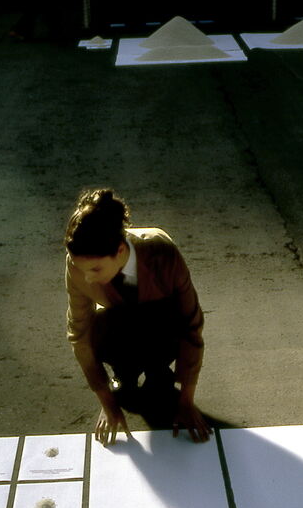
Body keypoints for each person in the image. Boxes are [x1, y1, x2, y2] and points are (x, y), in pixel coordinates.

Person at [65, 187, 210, 445]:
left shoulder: (163, 253)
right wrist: (107, 402)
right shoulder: (79, 262)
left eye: (96, 269)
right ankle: (124, 375)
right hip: (116, 326)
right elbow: (79, 333)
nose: (86, 278)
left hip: (161, 324)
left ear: (120, 252)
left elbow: (191, 325)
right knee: (100, 327)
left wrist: (186, 401)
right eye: (80, 268)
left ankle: (159, 375)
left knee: (164, 326)